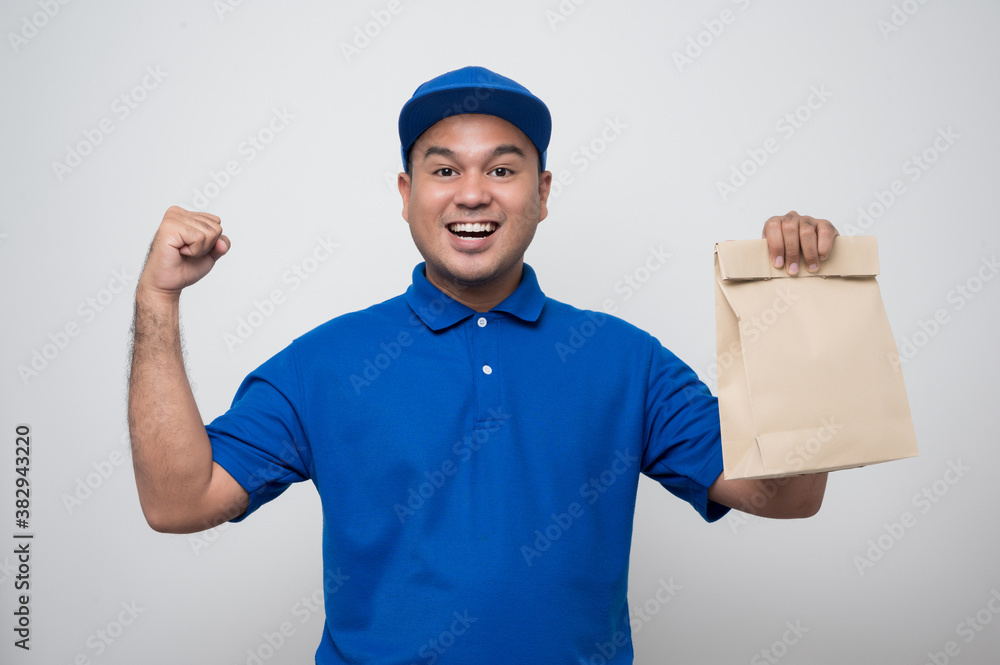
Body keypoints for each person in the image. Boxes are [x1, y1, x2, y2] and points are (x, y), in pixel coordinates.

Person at [129, 66, 837, 664]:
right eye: (444, 169)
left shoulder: (627, 360)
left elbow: (788, 495)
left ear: (542, 193)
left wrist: (796, 312)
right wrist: (159, 297)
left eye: (502, 168)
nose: (473, 192)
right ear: (407, 195)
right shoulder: (327, 362)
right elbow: (178, 501)